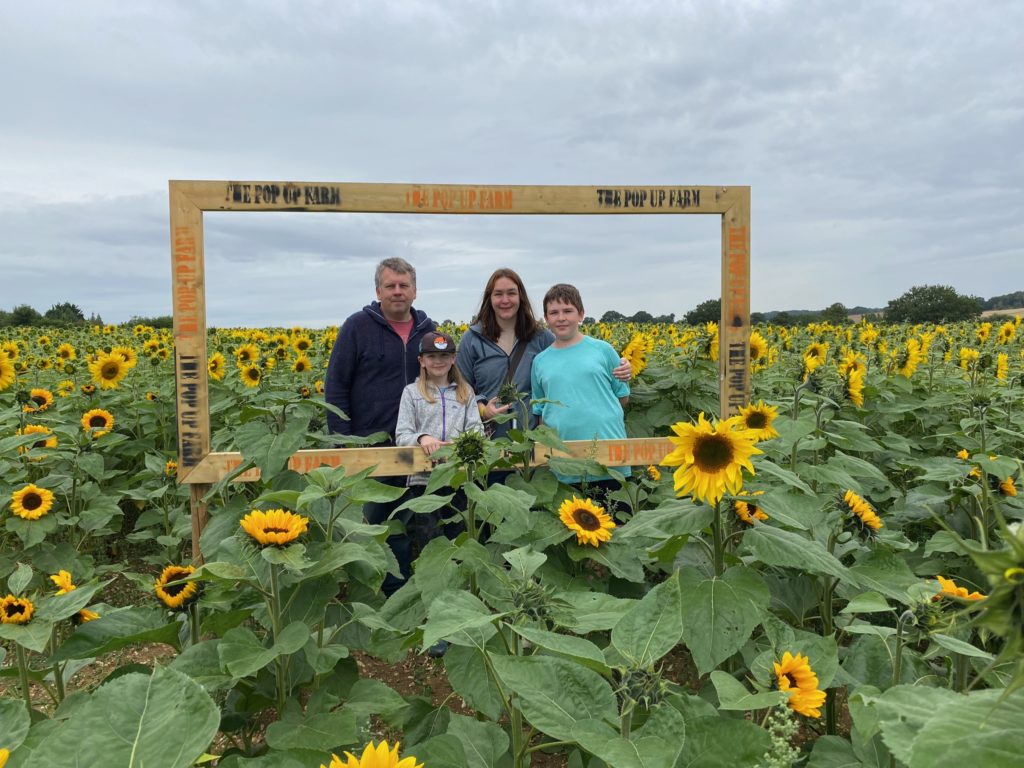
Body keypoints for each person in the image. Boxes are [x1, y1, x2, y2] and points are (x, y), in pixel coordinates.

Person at [324, 257, 435, 595]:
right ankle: (386, 591)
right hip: (371, 445)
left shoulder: (429, 331)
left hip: (419, 444)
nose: (397, 292)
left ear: (415, 291)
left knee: (423, 518)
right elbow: (336, 385)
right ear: (378, 290)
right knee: (378, 523)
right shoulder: (357, 327)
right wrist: (344, 441)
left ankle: (420, 591)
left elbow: (449, 384)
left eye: (404, 286)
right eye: (391, 286)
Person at [457, 268, 631, 440]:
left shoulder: (540, 337)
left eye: (511, 293)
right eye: (498, 294)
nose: (505, 300)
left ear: (521, 297)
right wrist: (483, 408)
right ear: (489, 298)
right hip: (490, 439)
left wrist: (623, 365)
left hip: (532, 441)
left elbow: (570, 358)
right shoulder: (472, 339)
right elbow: (460, 385)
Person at [531, 283, 631, 494]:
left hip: (608, 456)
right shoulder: (540, 361)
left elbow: (622, 397)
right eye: (554, 313)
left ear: (581, 314)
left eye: (568, 311)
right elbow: (541, 411)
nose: (561, 318)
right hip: (564, 460)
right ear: (546, 319)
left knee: (617, 522)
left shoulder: (603, 350)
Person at [395, 331, 484, 545]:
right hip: (424, 481)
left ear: (453, 359)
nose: (438, 361)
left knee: (461, 536)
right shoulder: (411, 393)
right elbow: (401, 434)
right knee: (430, 540)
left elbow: (477, 430)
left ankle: (463, 578)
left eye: (444, 356)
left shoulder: (465, 392)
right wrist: (422, 438)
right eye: (432, 356)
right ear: (422, 361)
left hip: (460, 478)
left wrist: (463, 443)